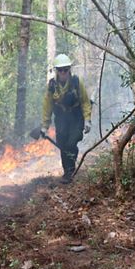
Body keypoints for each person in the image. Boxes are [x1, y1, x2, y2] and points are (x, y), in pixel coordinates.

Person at [41, 54, 92, 184]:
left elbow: (85, 102)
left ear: (69, 69)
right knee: (63, 145)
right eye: (60, 69)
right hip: (61, 118)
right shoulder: (52, 85)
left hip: (76, 117)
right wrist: (45, 126)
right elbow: (48, 106)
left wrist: (87, 120)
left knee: (71, 143)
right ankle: (67, 172)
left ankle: (71, 169)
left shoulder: (76, 81)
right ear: (56, 71)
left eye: (65, 69)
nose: (63, 72)